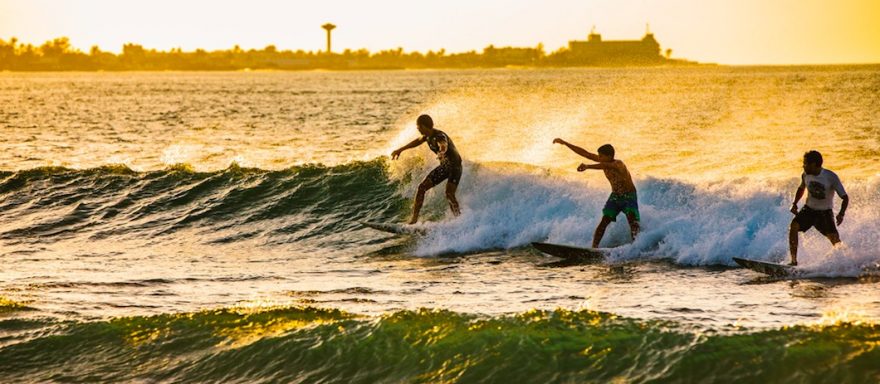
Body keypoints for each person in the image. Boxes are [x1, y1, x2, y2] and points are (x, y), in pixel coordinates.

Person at [553, 138, 639, 248]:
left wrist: (588, 166)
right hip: (616, 197)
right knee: (603, 222)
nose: (600, 159)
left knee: (633, 223)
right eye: (599, 156)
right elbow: (585, 153)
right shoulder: (603, 161)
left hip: (629, 196)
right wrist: (565, 143)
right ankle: (594, 248)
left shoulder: (618, 164)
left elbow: (606, 166)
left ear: (609, 156)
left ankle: (637, 247)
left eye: (602, 156)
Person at [391, 114, 462, 224]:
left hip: (455, 167)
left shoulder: (440, 135)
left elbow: (443, 144)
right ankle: (414, 220)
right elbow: (416, 142)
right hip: (445, 167)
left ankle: (458, 219)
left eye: (418, 126)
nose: (417, 129)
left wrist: (442, 152)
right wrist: (400, 150)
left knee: (449, 193)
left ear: (423, 126)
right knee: (422, 187)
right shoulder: (426, 136)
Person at [788, 150, 848, 266]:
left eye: (805, 163)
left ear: (814, 164)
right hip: (809, 210)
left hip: (824, 213)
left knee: (835, 240)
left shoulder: (830, 177)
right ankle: (793, 261)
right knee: (793, 226)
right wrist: (795, 203)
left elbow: (845, 197)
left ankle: (846, 263)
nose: (803, 166)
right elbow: (801, 188)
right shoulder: (805, 174)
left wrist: (841, 214)